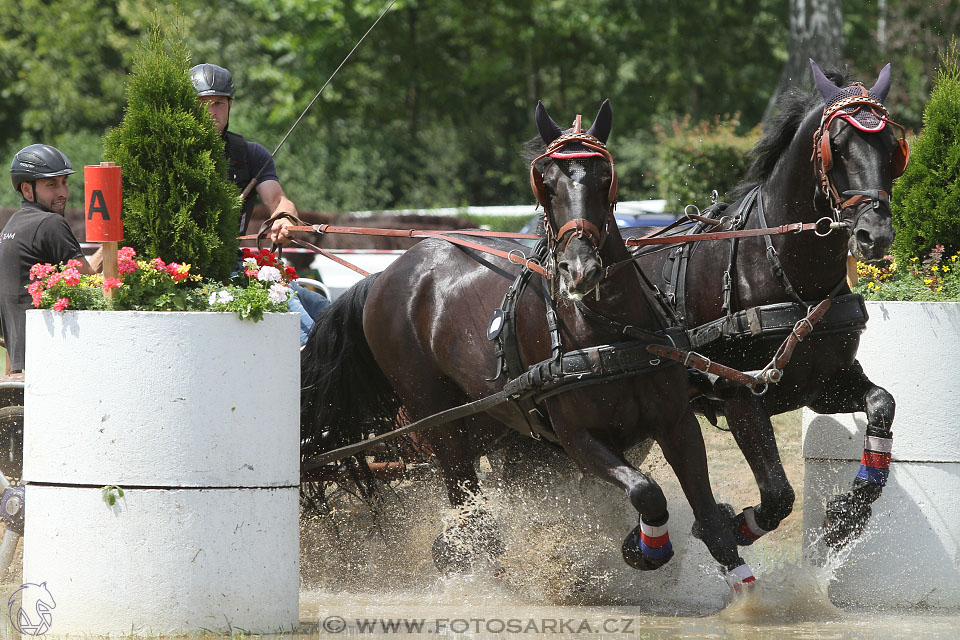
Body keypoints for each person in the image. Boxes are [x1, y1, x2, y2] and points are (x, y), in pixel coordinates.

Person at [189, 63, 329, 343]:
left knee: (325, 309)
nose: (210, 112)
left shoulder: (249, 155)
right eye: (201, 103)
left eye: (218, 103)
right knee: (300, 321)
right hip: (189, 271)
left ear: (230, 105)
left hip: (234, 264)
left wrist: (284, 219)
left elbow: (279, 201)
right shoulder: (169, 155)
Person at [0, 144, 98, 373]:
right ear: (27, 189)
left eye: (64, 182)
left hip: (19, 358)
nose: (62, 192)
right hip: (49, 353)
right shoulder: (50, 223)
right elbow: (91, 284)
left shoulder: (12, 224)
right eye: (51, 185)